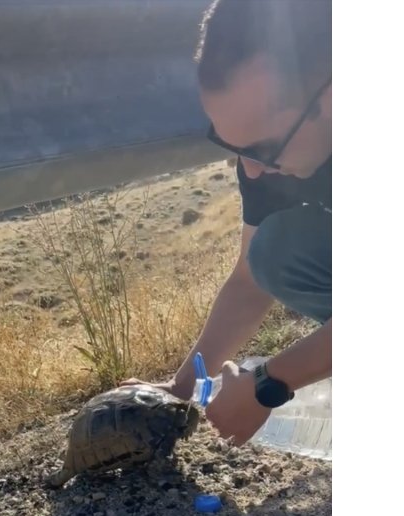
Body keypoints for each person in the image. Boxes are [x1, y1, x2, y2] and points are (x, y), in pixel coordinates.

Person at [121, 0, 332, 445]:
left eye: (262, 147)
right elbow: (250, 280)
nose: (250, 171)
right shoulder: (269, 163)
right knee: (276, 252)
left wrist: (270, 383)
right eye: (230, 144)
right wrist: (180, 389)